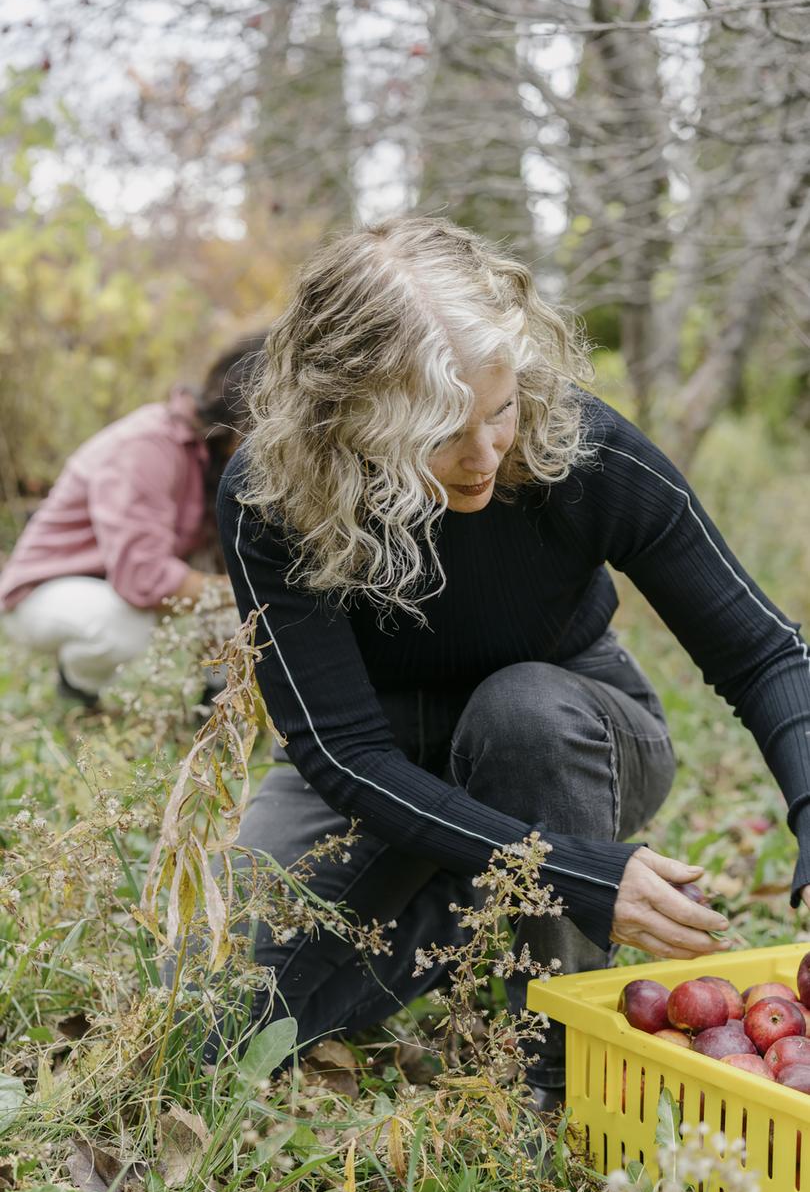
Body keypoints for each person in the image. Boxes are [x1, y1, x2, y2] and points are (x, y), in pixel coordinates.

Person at [215, 217, 810, 1107]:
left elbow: (765, 651)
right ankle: (466, 888)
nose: (486, 454)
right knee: (229, 1013)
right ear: (349, 420)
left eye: (500, 410)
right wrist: (569, 868)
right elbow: (343, 754)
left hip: (570, 724)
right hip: (379, 756)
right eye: (444, 432)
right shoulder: (273, 495)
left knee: (524, 712)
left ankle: (557, 1069)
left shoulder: (586, 447)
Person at [0, 333, 265, 705]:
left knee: (240, 595)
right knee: (125, 624)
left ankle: (217, 704)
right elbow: (143, 580)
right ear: (242, 412)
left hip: (116, 585)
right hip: (44, 592)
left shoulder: (213, 458)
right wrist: (244, 591)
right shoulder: (147, 445)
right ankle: (77, 686)